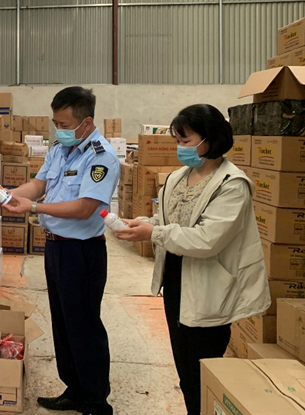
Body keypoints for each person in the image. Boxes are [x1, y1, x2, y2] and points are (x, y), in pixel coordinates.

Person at [116, 104, 270, 415]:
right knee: (186, 372)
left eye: (186, 141)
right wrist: (141, 225)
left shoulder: (231, 185)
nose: (180, 148)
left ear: (210, 139)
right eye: (177, 141)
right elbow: (166, 220)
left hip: (209, 287)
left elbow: (207, 239)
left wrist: (154, 233)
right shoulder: (177, 178)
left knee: (202, 373)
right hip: (176, 281)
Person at [2, 86, 120, 415]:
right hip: (55, 248)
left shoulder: (101, 157)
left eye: (64, 125)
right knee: (64, 324)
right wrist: (12, 195)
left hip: (82, 253)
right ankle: (75, 389)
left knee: (84, 326)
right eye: (55, 123)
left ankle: (95, 401)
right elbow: (38, 184)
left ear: (86, 123)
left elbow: (85, 208)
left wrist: (34, 207)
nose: (58, 130)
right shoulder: (60, 150)